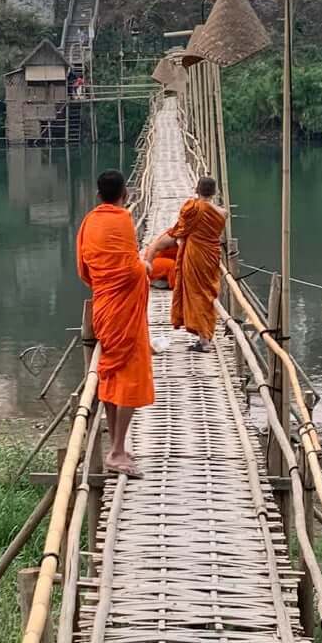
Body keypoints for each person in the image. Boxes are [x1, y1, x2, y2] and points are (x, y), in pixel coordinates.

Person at [76, 169, 154, 475]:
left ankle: (116, 447)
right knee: (131, 376)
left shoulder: (88, 222)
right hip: (125, 310)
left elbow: (84, 270)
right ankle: (118, 450)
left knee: (110, 374)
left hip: (105, 308)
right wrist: (144, 267)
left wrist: (107, 281)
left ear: (98, 196)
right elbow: (130, 265)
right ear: (128, 195)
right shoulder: (123, 220)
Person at [143, 175, 226, 352]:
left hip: (195, 255)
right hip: (211, 256)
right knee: (207, 293)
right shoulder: (222, 213)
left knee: (196, 294)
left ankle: (204, 341)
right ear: (215, 192)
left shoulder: (192, 208)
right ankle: (205, 336)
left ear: (196, 190)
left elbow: (180, 229)